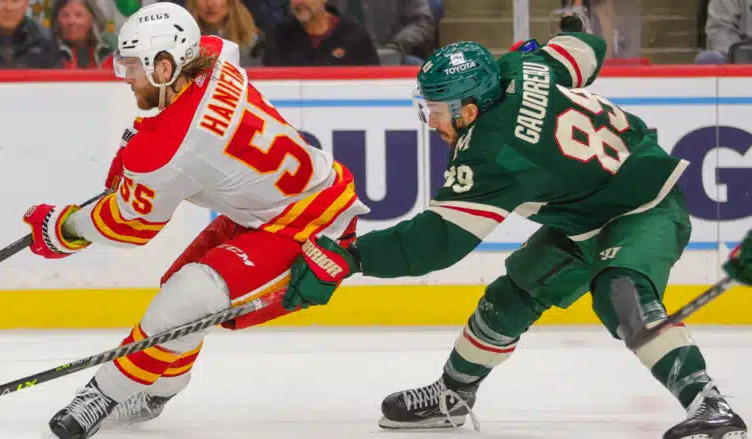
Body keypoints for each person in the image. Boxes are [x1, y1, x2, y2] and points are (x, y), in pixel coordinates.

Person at [282, 33, 748, 439]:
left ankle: (711, 405)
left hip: (645, 204)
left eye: (436, 111)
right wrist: (572, 29)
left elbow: (436, 243)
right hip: (586, 213)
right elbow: (586, 49)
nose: (431, 122)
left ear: (469, 109)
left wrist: (353, 256)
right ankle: (453, 395)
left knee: (620, 292)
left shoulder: (493, 153)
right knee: (512, 295)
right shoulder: (519, 68)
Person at [19, 3, 369, 438]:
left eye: (133, 66)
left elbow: (129, 226)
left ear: (165, 67)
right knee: (181, 291)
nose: (125, 77)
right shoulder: (213, 59)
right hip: (270, 207)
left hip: (312, 223)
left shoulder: (170, 146)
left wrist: (65, 228)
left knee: (188, 297)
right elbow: (218, 52)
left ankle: (103, 394)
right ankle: (161, 390)